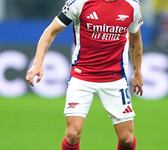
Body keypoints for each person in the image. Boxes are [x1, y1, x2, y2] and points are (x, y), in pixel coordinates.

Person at [26, 0, 144, 149]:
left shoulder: (132, 5)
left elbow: (135, 38)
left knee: (126, 139)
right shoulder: (80, 3)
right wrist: (37, 63)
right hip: (82, 77)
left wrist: (137, 72)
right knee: (72, 135)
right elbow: (51, 31)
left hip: (115, 78)